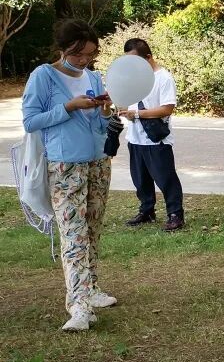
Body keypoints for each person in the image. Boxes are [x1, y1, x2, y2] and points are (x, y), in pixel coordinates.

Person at [21, 20, 116, 332]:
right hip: (65, 166)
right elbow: (31, 121)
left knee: (92, 229)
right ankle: (78, 306)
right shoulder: (44, 76)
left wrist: (105, 112)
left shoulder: (94, 77)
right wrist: (69, 107)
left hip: (98, 162)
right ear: (62, 49)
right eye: (78, 54)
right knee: (73, 235)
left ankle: (91, 288)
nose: (84, 60)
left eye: (90, 54)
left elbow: (101, 126)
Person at [118, 39, 185, 231]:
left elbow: (166, 109)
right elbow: (129, 103)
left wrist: (137, 114)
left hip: (157, 140)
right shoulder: (134, 79)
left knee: (166, 179)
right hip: (134, 138)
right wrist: (124, 110)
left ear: (148, 57)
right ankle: (146, 211)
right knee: (140, 180)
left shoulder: (164, 78)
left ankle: (175, 214)